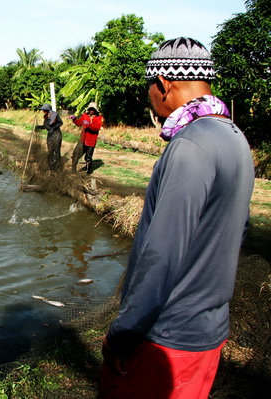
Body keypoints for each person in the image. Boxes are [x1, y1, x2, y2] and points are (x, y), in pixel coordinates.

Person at [99, 37, 255, 399]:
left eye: (149, 88)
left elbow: (161, 255)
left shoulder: (190, 145)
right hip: (207, 331)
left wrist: (124, 333)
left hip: (166, 338)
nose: (149, 98)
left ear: (164, 84)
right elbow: (238, 232)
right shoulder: (234, 137)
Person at [70, 102, 103, 174]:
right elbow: (79, 123)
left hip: (91, 141)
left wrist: (89, 125)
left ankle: (88, 172)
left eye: (93, 109)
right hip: (83, 139)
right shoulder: (85, 116)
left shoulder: (99, 118)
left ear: (95, 110)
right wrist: (74, 119)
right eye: (90, 109)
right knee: (75, 154)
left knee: (88, 157)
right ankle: (73, 170)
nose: (91, 111)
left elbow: (97, 128)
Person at [35, 103, 63, 171]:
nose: (43, 111)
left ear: (48, 110)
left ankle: (58, 166)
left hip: (56, 135)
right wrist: (38, 127)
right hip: (50, 135)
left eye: (44, 110)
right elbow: (45, 126)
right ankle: (51, 166)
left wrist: (53, 128)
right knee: (50, 151)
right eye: (43, 110)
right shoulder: (46, 117)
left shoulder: (55, 115)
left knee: (56, 151)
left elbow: (60, 123)